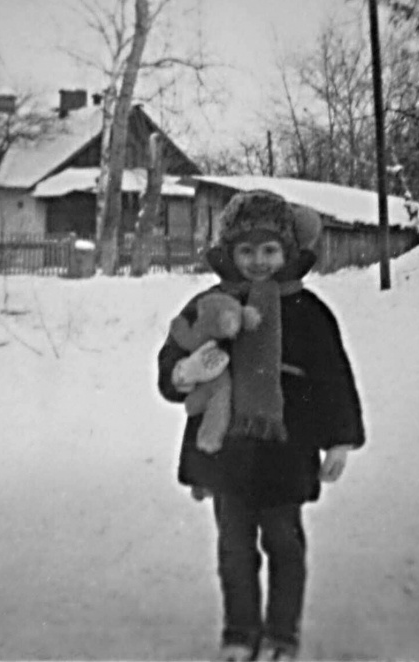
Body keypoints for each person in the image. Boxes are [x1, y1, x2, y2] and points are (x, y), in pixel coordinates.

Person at [157, 190, 366, 662]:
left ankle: (281, 636)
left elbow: (332, 377)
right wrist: (181, 372)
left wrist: (338, 441)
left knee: (283, 544)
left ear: (288, 252)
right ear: (229, 253)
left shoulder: (308, 311)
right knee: (233, 548)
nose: (257, 261)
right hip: (227, 449)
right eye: (246, 250)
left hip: (286, 449)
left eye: (270, 250)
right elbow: (175, 352)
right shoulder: (211, 304)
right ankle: (239, 633)